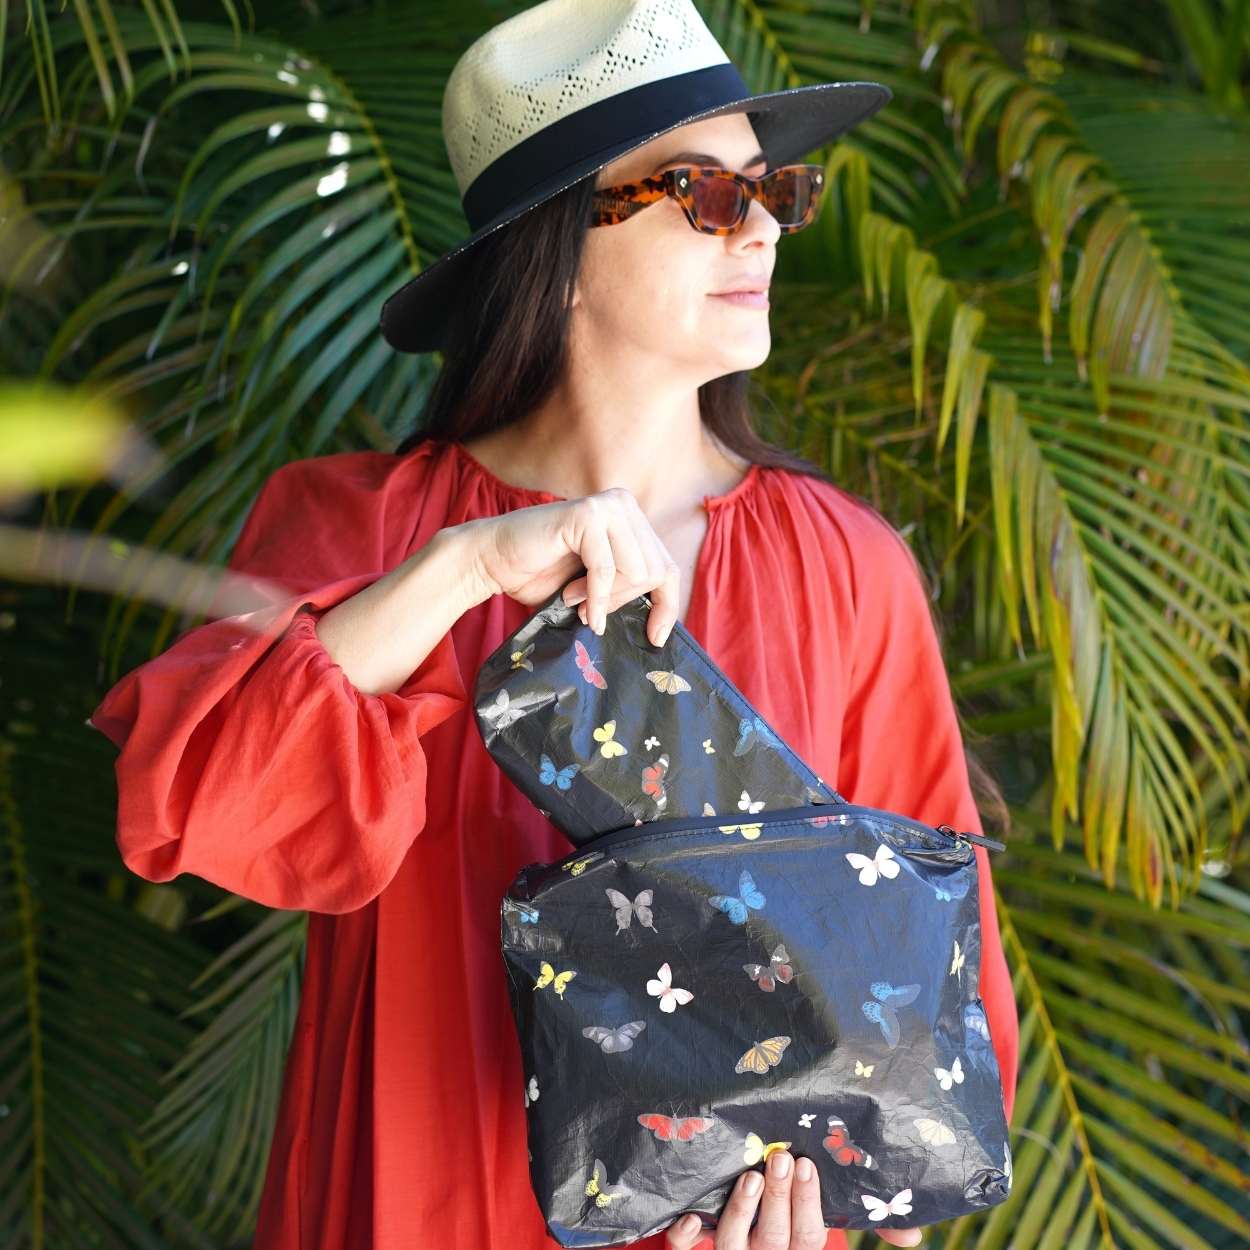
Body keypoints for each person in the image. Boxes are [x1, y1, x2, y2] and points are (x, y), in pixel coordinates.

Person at [88, 2, 1018, 1248]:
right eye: (698, 192)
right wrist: (464, 562)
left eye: (772, 191)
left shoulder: (846, 568)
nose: (758, 229)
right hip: (412, 1199)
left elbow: (937, 1025)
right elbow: (196, 795)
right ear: (558, 245)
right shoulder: (358, 530)